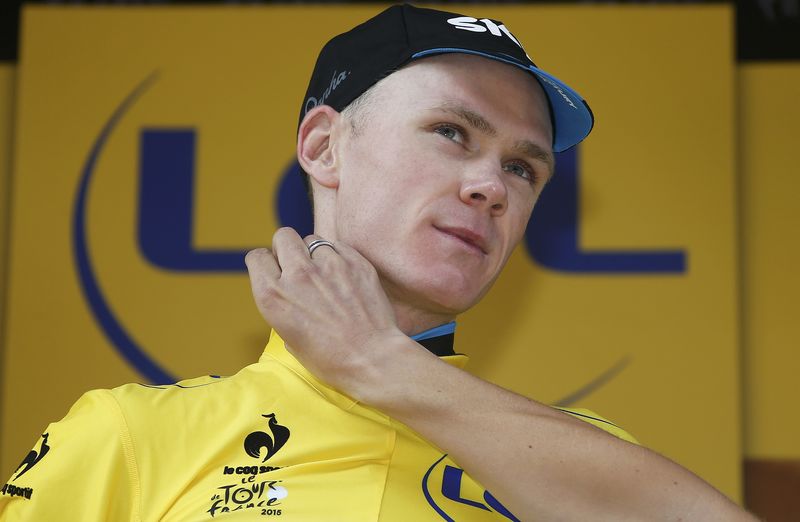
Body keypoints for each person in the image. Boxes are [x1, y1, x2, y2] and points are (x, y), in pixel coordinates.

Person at [1, 4, 756, 521]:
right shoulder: (130, 435)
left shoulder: (583, 459)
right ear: (325, 147)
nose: (490, 185)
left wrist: (381, 365)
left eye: (524, 169)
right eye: (453, 132)